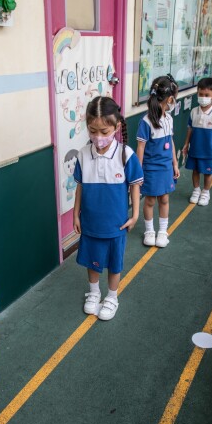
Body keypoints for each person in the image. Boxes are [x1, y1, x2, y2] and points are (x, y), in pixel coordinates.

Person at [75, 96, 143, 321]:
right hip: (91, 222)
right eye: (92, 131)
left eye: (104, 132)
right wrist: (76, 214)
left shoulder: (126, 154)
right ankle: (94, 293)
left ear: (117, 127)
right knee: (92, 260)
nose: (98, 137)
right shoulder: (83, 155)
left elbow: (135, 185)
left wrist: (134, 215)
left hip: (116, 223)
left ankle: (112, 297)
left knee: (114, 263)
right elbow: (80, 186)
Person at [136, 76, 180, 248]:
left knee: (164, 199)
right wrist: (138, 172)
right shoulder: (145, 122)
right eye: (173, 98)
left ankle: (162, 231)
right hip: (151, 169)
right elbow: (140, 148)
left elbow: (171, 142)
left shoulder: (169, 119)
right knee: (150, 201)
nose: (173, 102)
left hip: (166, 167)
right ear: (170, 99)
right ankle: (149, 231)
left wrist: (175, 164)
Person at [181, 77, 212, 206]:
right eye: (200, 94)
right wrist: (186, 144)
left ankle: (205, 192)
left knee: (208, 172)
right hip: (195, 148)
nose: (203, 97)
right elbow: (190, 129)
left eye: (207, 95)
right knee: (195, 170)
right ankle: (196, 190)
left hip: (209, 150)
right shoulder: (194, 112)